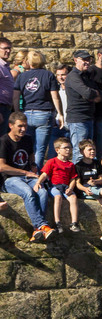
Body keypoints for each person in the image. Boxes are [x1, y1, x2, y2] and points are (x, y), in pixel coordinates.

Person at [1, 111, 51, 240]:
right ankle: (41, 225)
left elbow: (30, 156)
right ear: (11, 125)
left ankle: (38, 230)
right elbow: (2, 167)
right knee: (28, 193)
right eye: (20, 126)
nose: (23, 129)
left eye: (25, 126)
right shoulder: (3, 141)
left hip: (29, 176)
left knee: (42, 192)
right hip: (10, 179)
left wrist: (33, 166)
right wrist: (25, 172)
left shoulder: (27, 138)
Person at [16, 50, 62, 168]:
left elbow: (15, 96)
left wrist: (17, 113)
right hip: (43, 114)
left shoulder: (22, 76)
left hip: (26, 113)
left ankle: (27, 172)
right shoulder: (48, 75)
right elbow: (55, 96)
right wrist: (60, 113)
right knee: (40, 148)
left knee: (28, 146)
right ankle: (36, 174)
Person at [36, 135, 80, 232]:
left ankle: (74, 223)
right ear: (57, 150)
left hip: (65, 187)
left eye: (69, 147)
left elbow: (73, 179)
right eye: (65, 148)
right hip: (54, 186)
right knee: (58, 197)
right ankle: (57, 222)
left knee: (73, 198)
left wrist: (71, 188)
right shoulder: (52, 161)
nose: (68, 150)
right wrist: (38, 182)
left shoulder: (70, 164)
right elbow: (44, 174)